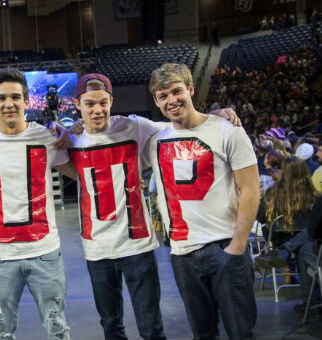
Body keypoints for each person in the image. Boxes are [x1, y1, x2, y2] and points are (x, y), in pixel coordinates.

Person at [145, 63, 259, 339]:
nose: (171, 100)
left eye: (176, 91)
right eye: (163, 95)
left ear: (191, 89)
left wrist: (237, 247)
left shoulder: (227, 130)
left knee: (241, 334)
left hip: (225, 247)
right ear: (156, 101)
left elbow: (251, 189)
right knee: (202, 335)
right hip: (182, 255)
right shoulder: (155, 140)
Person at [0, 68, 77, 340]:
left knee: (58, 329)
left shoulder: (48, 138)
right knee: (2, 332)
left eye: (15, 97)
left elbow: (79, 170)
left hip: (44, 251)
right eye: (1, 98)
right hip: (1, 256)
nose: (9, 103)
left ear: (26, 101)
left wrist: (73, 131)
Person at [69, 73, 166, 340]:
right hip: (97, 248)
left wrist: (218, 116)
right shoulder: (70, 139)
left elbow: (179, 127)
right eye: (90, 104)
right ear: (78, 105)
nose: (97, 110)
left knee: (151, 327)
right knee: (111, 327)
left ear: (112, 101)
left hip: (137, 245)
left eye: (103, 103)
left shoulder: (134, 126)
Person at [256, 157, 322, 317]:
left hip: (279, 241)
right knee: (306, 240)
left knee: (303, 250)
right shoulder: (315, 196)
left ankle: (311, 303)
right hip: (308, 240)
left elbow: (261, 218)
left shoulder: (272, 192)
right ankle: (311, 302)